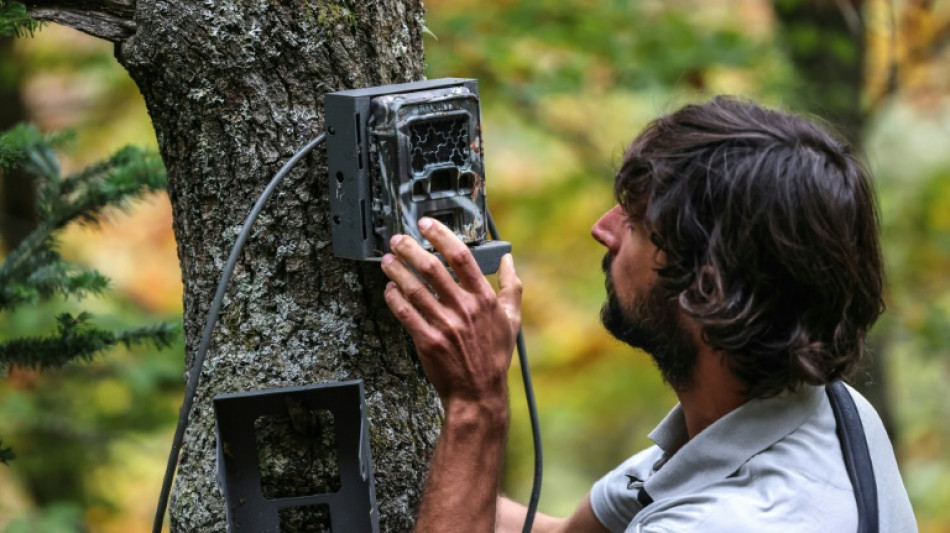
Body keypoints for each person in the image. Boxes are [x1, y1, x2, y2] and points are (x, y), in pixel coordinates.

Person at [380, 96, 917, 532]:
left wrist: (477, 406)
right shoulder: (828, 411)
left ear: (708, 287)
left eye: (636, 223)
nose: (603, 229)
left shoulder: (727, 522)